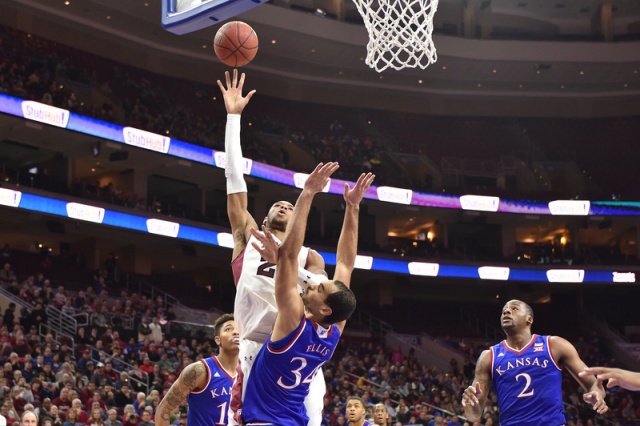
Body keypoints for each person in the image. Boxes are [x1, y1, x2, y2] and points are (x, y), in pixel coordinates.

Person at [219, 70, 330, 426]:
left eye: (290, 204)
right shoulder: (248, 236)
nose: (284, 205)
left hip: (297, 345)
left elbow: (331, 300)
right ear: (264, 218)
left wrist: (287, 263)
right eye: (277, 204)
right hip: (254, 345)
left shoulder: (310, 256)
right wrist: (233, 118)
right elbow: (234, 180)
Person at [241, 163, 373, 425]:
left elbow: (290, 254)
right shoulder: (334, 330)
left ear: (325, 309)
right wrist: (353, 208)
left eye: (319, 288)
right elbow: (346, 264)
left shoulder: (292, 321)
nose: (311, 284)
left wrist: (308, 192)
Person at [461, 299, 608, 425]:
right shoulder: (489, 356)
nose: (506, 312)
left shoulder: (554, 345)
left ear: (529, 319)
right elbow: (473, 415)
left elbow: (594, 384)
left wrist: (597, 394)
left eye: (514, 309)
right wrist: (472, 402)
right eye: (504, 311)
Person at [156, 314, 239, 426]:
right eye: (228, 329)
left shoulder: (249, 373)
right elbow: (164, 410)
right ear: (218, 340)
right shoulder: (199, 371)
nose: (236, 332)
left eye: (239, 329)